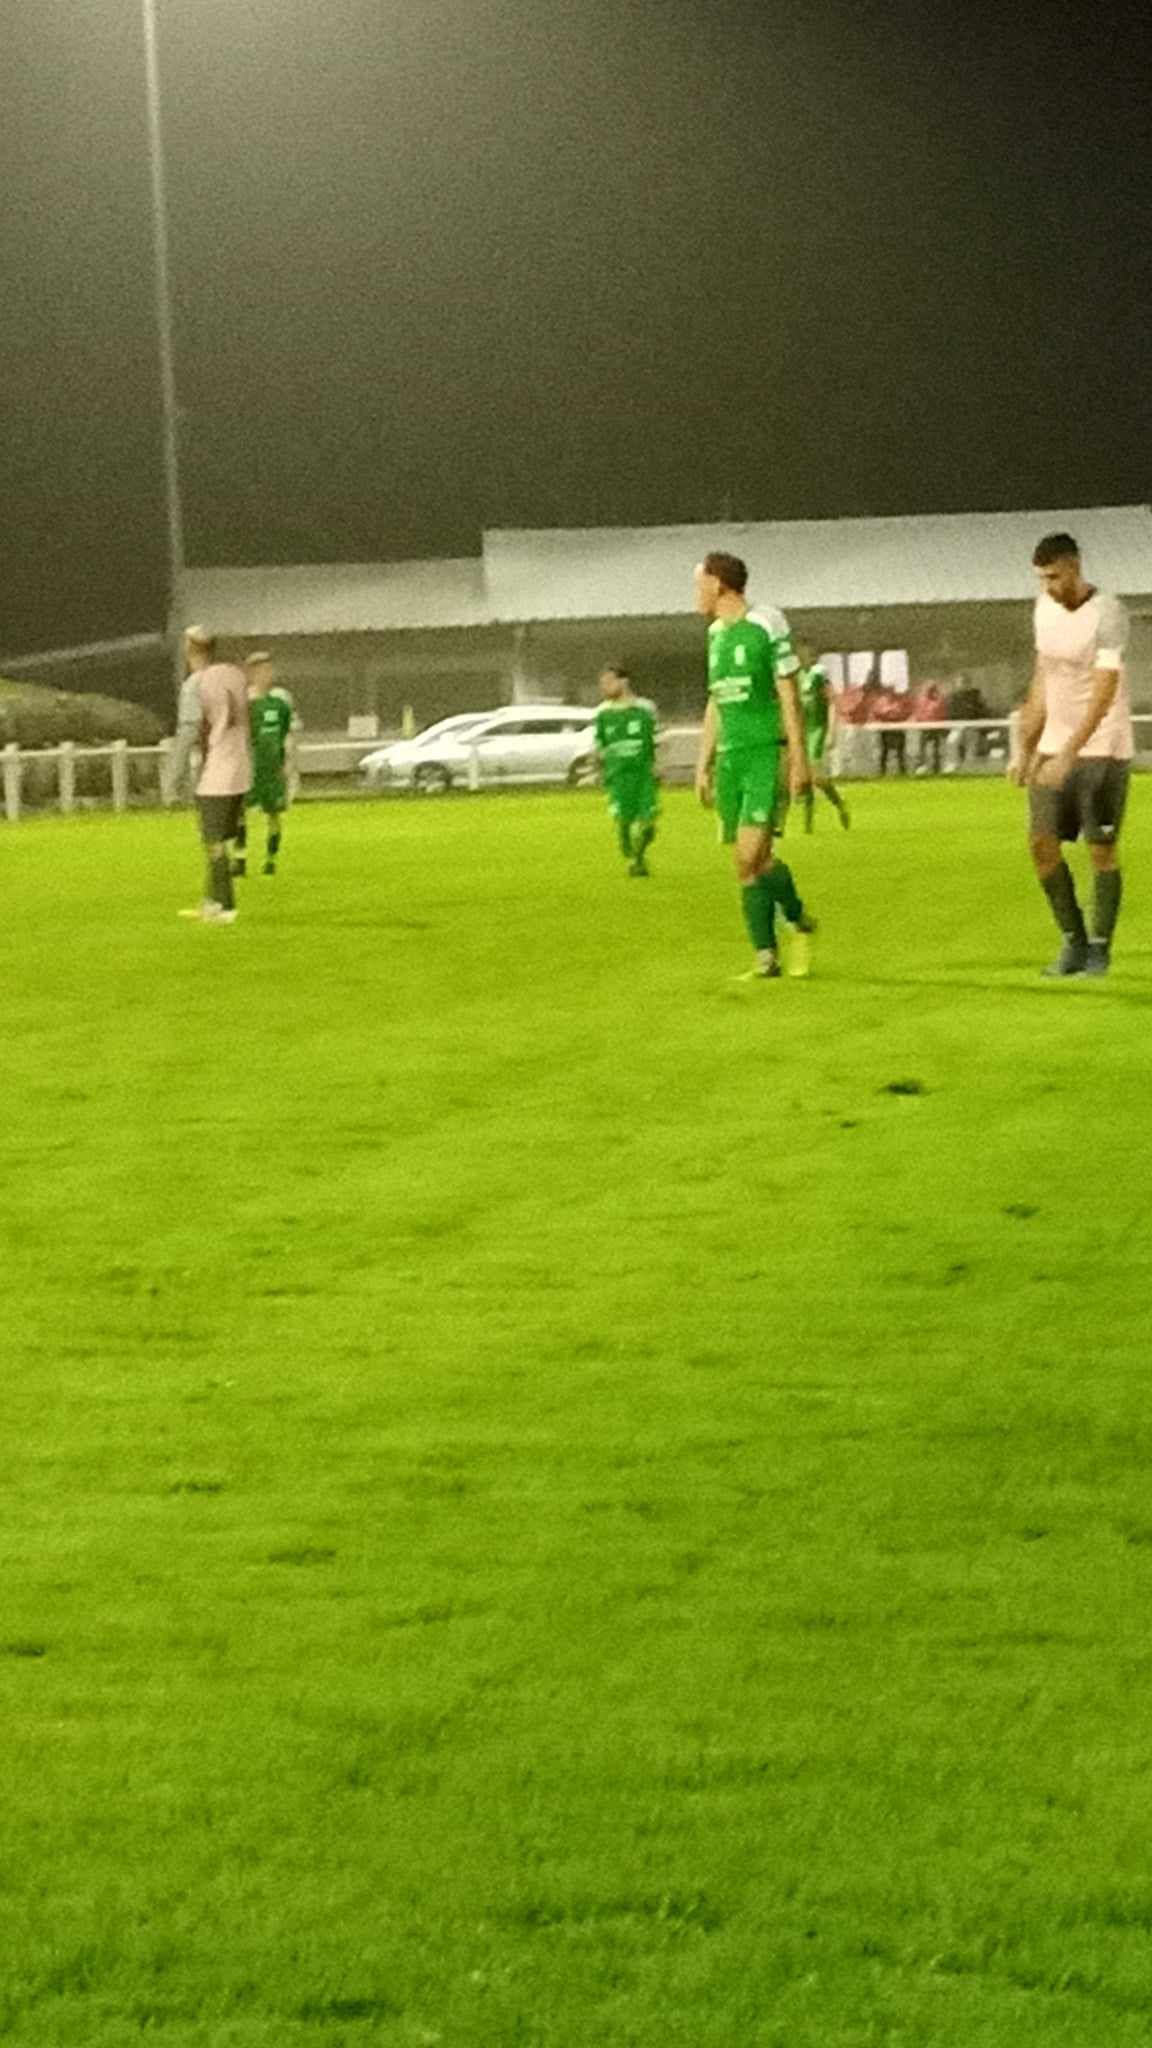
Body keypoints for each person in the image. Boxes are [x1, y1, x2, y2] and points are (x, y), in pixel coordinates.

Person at [1009, 532, 1131, 977]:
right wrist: (1025, 747)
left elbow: (1104, 692)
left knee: (1101, 849)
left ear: (1075, 567)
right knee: (1041, 845)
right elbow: (1044, 678)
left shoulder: (1108, 614)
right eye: (1042, 578)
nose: (1048, 587)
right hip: (1053, 747)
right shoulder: (1043, 609)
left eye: (1055, 576)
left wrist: (1070, 753)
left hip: (1103, 748)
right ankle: (1073, 943)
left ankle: (1100, 947)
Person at [693, 551, 815, 979]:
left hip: (767, 751)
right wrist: (702, 763)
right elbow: (716, 700)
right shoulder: (714, 635)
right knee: (757, 863)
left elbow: (788, 693)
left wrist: (799, 760)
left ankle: (766, 954)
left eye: (699, 583)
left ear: (718, 583)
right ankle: (794, 919)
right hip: (732, 759)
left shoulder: (766, 622)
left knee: (748, 857)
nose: (695, 593)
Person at [167, 627, 252, 924]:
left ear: (190, 649)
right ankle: (210, 901)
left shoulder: (195, 684)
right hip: (241, 768)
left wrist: (172, 776)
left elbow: (189, 730)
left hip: (216, 773)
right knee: (218, 839)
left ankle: (225, 907)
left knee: (212, 841)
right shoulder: (234, 674)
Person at [592, 665, 660, 876]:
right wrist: (599, 770)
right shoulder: (602, 713)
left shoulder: (645, 708)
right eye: (602, 683)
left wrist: (659, 765)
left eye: (609, 681)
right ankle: (634, 859)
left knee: (649, 824)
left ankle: (637, 856)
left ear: (624, 681)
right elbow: (599, 745)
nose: (605, 687)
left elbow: (656, 740)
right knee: (624, 821)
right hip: (618, 775)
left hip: (643, 774)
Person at [234, 652, 294, 876]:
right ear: (251, 674)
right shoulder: (245, 704)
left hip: (273, 769)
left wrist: (284, 761)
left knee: (274, 814)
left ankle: (271, 860)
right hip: (250, 768)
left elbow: (285, 732)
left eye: (269, 669)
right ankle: (239, 859)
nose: (267, 675)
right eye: (261, 670)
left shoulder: (280, 702)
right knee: (240, 811)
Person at [786, 641, 850, 830]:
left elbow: (831, 702)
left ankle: (839, 804)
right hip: (801, 730)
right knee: (803, 777)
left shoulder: (819, 674)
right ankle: (808, 825)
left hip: (817, 729)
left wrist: (831, 730)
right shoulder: (795, 677)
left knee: (817, 777)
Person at [911, 681, 948, 774]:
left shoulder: (939, 700)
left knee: (936, 749)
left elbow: (942, 713)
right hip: (924, 728)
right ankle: (919, 767)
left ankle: (937, 768)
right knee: (920, 748)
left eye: (932, 689)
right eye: (928, 689)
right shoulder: (921, 700)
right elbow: (918, 713)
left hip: (936, 729)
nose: (930, 691)